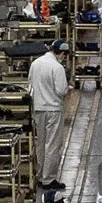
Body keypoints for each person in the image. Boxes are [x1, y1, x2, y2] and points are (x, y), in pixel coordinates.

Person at [28, 41, 70, 186]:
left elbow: (30, 85)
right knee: (52, 144)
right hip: (53, 110)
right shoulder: (57, 67)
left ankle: (40, 175)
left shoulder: (35, 64)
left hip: (38, 109)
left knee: (40, 144)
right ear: (63, 54)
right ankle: (49, 179)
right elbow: (61, 90)